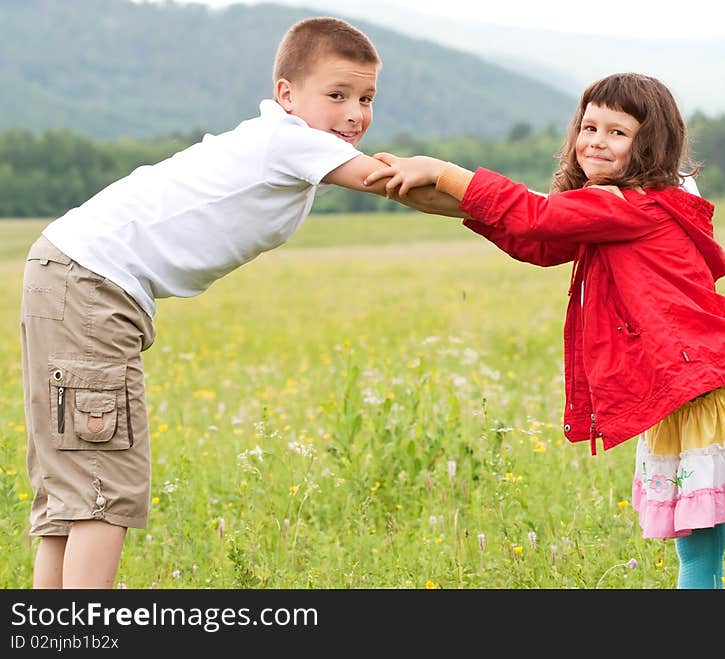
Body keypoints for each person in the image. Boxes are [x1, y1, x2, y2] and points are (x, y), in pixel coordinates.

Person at [20, 16, 462, 589]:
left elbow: (402, 188)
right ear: (286, 94)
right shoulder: (289, 140)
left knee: (74, 489)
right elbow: (402, 185)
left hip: (67, 273)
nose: (355, 113)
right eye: (337, 95)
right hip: (89, 283)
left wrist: (508, 218)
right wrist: (516, 211)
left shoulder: (293, 146)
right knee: (105, 487)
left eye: (367, 98)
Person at [364, 72, 725, 589]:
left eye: (617, 132)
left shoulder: (631, 204)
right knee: (696, 554)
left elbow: (535, 218)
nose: (596, 140)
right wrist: (423, 191)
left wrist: (443, 170)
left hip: (710, 400)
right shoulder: (615, 206)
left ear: (650, 145)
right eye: (590, 126)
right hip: (682, 396)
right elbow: (539, 242)